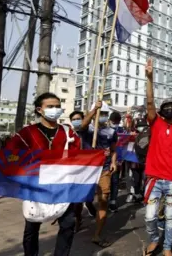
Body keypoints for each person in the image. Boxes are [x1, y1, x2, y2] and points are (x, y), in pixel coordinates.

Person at [5, 92, 81, 256]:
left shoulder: (69, 133)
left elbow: (79, 156)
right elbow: (10, 153)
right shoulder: (27, 133)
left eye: (58, 106)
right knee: (32, 225)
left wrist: (95, 157)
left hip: (63, 186)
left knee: (68, 224)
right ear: (40, 110)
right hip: (36, 186)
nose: (55, 109)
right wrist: (22, 169)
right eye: (50, 106)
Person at [143, 58, 172, 256]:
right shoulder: (155, 123)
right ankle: (154, 239)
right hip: (155, 179)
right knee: (150, 217)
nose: (170, 108)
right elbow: (150, 102)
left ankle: (167, 247)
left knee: (170, 217)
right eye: (167, 106)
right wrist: (149, 79)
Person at [80, 101, 118, 248]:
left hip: (104, 169)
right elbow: (82, 126)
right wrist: (94, 109)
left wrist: (114, 162)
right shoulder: (87, 129)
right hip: (87, 170)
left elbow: (113, 149)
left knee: (103, 199)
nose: (102, 116)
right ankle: (79, 220)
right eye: (99, 113)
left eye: (104, 114)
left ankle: (97, 234)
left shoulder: (111, 132)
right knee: (82, 199)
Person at [69, 110, 97, 232]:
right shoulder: (67, 133)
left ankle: (90, 206)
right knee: (76, 198)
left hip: (87, 168)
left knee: (85, 195)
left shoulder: (86, 132)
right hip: (72, 170)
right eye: (73, 119)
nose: (76, 121)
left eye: (78, 118)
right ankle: (78, 219)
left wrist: (95, 109)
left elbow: (84, 125)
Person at [109, 112, 126, 212]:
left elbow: (123, 146)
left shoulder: (122, 131)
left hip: (117, 160)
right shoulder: (104, 130)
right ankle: (106, 200)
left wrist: (120, 159)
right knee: (107, 182)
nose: (115, 123)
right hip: (106, 161)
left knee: (115, 182)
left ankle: (113, 201)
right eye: (114, 121)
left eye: (117, 122)